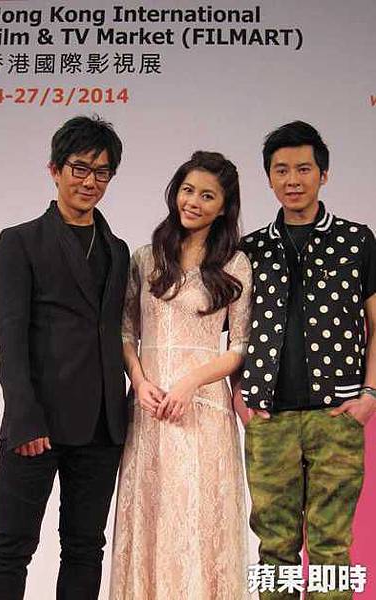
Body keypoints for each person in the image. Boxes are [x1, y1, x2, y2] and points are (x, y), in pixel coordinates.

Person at [0, 115, 129, 600]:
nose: (90, 181)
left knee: (85, 549)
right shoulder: (20, 241)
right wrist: (24, 419)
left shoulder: (118, 250)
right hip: (36, 425)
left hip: (103, 427)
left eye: (102, 172)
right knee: (11, 547)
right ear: (55, 170)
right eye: (80, 168)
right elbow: (10, 338)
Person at [235, 121, 376, 600]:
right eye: (281, 170)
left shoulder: (357, 241)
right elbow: (233, 332)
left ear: (324, 174)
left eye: (303, 168)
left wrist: (370, 395)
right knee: (273, 547)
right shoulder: (250, 249)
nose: (292, 179)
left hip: (336, 416)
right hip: (269, 419)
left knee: (332, 546)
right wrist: (239, 394)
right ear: (269, 178)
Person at [109, 151, 252, 599]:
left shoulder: (235, 264)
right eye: (188, 190)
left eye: (208, 196)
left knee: (200, 522)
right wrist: (139, 381)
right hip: (150, 409)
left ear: (224, 207)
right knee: (151, 519)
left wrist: (191, 382)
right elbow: (126, 332)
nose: (194, 201)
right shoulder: (145, 258)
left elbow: (240, 347)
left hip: (203, 413)